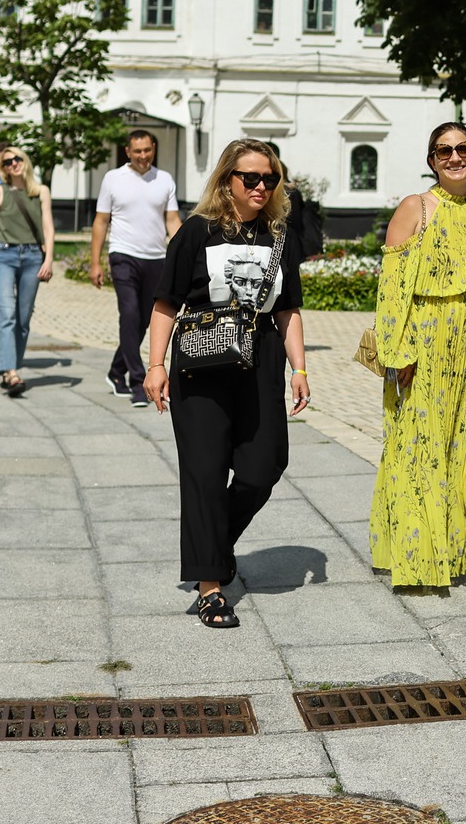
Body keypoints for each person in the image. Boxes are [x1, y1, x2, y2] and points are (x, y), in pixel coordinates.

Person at [143, 139, 309, 629]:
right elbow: (165, 303)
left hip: (260, 361)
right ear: (226, 181)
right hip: (200, 363)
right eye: (250, 178)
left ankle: (213, 545)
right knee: (205, 473)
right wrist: (155, 366)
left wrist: (299, 369)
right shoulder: (196, 233)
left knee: (264, 465)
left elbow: (287, 309)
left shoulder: (280, 236)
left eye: (270, 179)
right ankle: (210, 585)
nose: (261, 187)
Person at [370, 122, 466, 594]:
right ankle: (420, 553)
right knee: (423, 447)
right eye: (443, 151)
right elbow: (392, 289)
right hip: (425, 347)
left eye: (463, 149)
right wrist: (396, 352)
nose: (454, 157)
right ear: (431, 159)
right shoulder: (414, 209)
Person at [92, 130, 181, 407]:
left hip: (156, 258)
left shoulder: (164, 179)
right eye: (137, 151)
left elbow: (172, 220)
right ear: (127, 151)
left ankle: (116, 370)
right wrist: (95, 262)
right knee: (129, 314)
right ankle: (137, 379)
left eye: (147, 150)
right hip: (123, 255)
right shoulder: (113, 179)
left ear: (153, 149)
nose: (143, 156)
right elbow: (100, 221)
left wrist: (184, 254)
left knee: (143, 320)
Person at [0, 145, 56, 397]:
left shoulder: (41, 192)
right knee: (7, 314)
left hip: (33, 257)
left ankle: (10, 367)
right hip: (4, 256)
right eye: (7, 162)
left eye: (17, 159)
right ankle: (10, 371)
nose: (13, 164)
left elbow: (48, 227)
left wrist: (49, 260)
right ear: (2, 169)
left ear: (25, 161)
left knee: (23, 318)